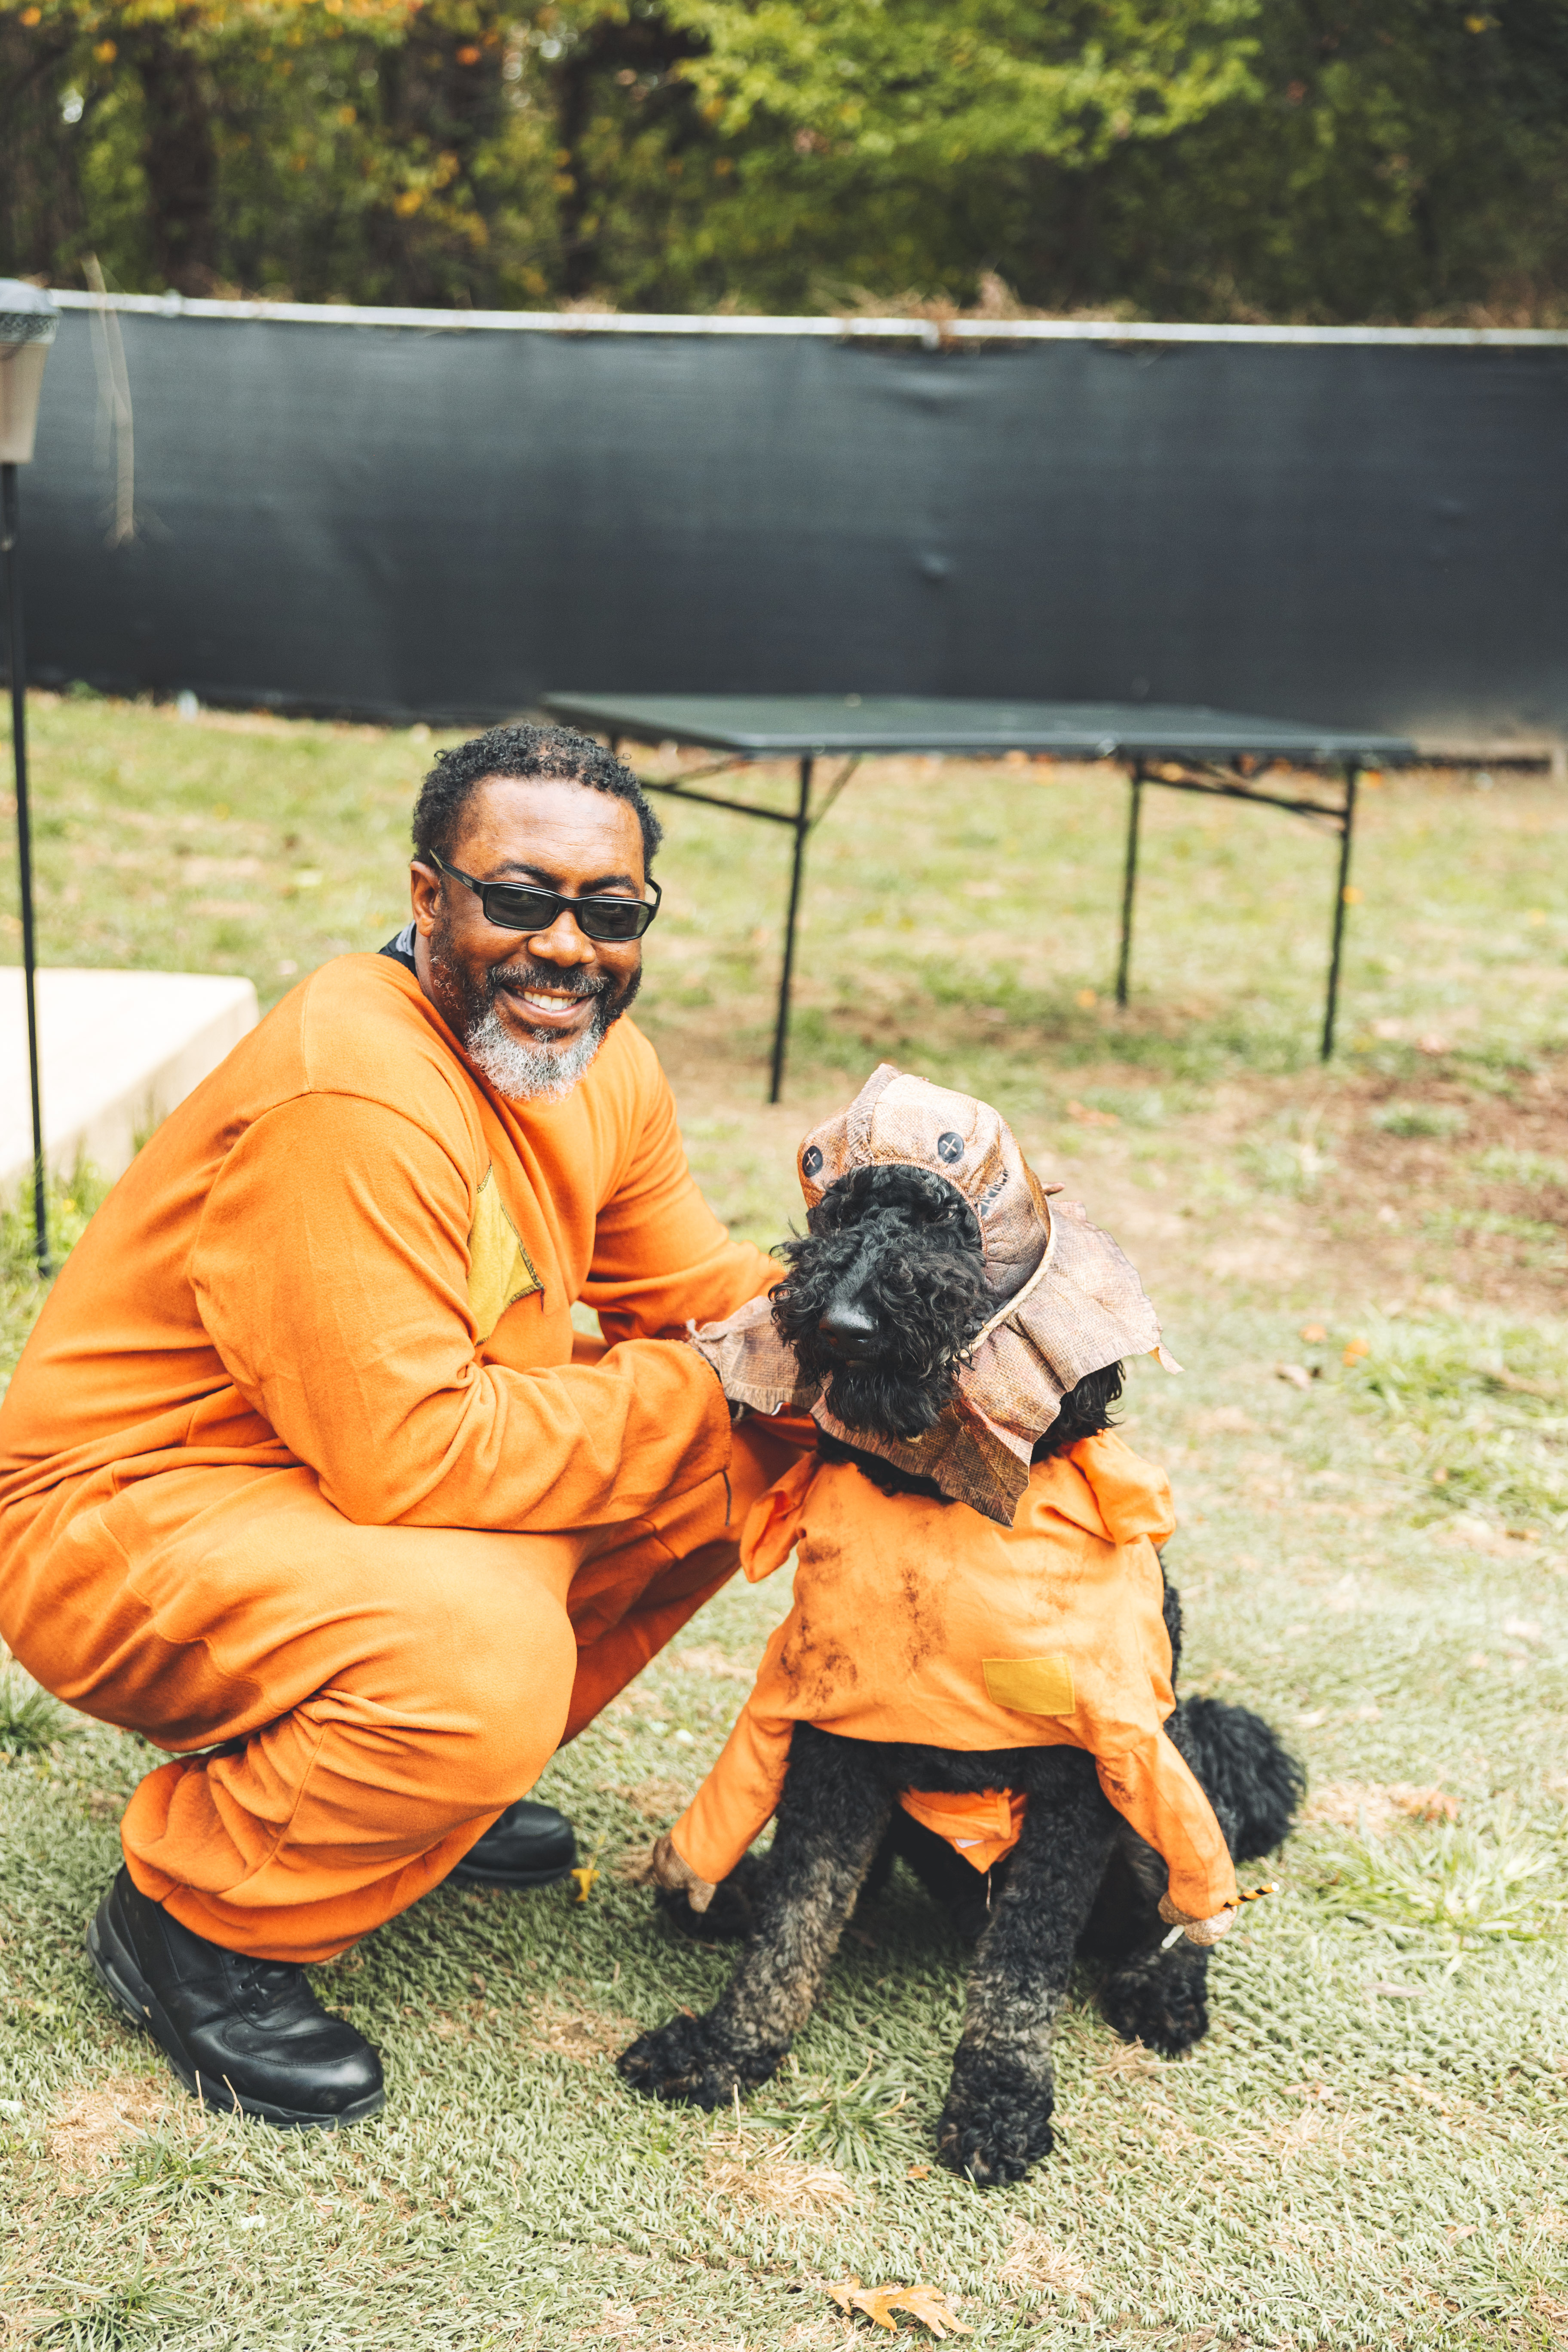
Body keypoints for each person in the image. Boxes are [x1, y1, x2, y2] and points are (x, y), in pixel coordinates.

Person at [0, 723, 798, 2129]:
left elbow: (701, 1295)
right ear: (430, 897)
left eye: (610, 915)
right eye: (519, 898)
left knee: (755, 1451)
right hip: (123, 1515)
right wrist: (717, 1383)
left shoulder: (602, 1064)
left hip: (348, 1473)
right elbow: (412, 1452)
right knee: (477, 1658)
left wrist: (878, 1330)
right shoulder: (352, 1089)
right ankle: (195, 1922)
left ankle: (414, 1799)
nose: (567, 948)